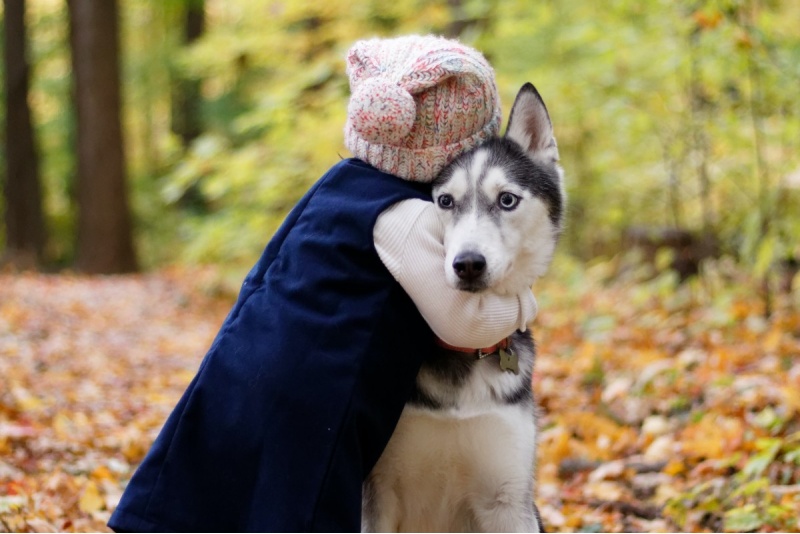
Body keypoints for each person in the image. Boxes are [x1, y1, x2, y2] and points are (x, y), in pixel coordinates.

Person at [108, 34, 537, 532]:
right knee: (301, 507)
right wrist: (524, 305)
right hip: (318, 391)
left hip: (246, 363)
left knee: (227, 495)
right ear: (460, 145)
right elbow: (464, 323)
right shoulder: (406, 216)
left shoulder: (336, 185)